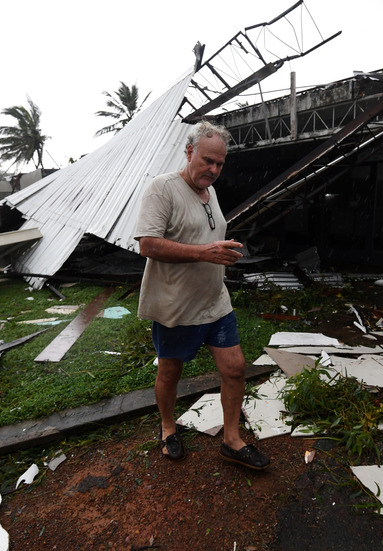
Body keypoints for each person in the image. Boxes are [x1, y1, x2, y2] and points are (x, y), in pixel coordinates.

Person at [134, 120, 270, 470]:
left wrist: (218, 254)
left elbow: (206, 236)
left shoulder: (210, 191)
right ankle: (167, 428)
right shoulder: (161, 189)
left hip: (215, 301)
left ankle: (231, 439)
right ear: (189, 151)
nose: (213, 169)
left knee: (235, 369)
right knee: (170, 372)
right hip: (176, 306)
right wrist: (203, 252)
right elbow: (147, 243)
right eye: (207, 161)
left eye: (220, 164)